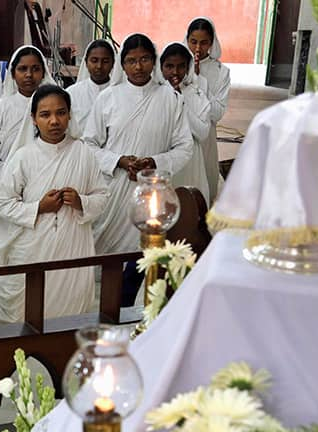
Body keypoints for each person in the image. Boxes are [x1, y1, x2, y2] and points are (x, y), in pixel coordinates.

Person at [82, 33, 192, 304]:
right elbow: (89, 145)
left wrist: (153, 162)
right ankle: (99, 308)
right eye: (131, 61)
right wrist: (120, 160)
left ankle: (128, 308)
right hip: (113, 191)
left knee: (142, 256)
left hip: (152, 192)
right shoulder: (108, 98)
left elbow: (184, 148)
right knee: (103, 256)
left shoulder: (170, 99)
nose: (139, 67)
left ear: (153, 61)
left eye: (144, 59)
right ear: (123, 64)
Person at [0, 85, 107, 323]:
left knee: (70, 317)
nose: (54, 121)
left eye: (61, 113)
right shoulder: (23, 156)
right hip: (32, 250)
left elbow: (102, 197)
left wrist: (81, 202)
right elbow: (3, 204)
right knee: (24, 315)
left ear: (69, 115)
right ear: (34, 119)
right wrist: (38, 208)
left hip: (72, 248)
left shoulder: (83, 153)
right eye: (45, 115)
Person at [0, 46, 53, 183]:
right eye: (22, 69)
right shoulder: (0, 109)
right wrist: (8, 173)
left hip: (47, 179)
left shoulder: (54, 107)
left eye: (35, 69)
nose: (29, 75)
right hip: (6, 181)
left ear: (44, 73)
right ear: (13, 74)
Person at [155, 42, 211, 204]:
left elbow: (202, 133)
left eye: (181, 66)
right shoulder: (154, 94)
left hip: (190, 163)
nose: (175, 72)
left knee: (188, 209)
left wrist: (179, 100)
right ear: (161, 67)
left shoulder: (196, 94)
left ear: (188, 68)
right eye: (169, 66)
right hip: (162, 158)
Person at [186, 17, 230, 203]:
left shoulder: (221, 71)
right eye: (193, 42)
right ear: (186, 39)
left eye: (204, 43)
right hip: (179, 133)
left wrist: (199, 82)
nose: (198, 48)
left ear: (212, 43)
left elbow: (217, 113)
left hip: (205, 139)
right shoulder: (176, 63)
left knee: (203, 189)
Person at [65, 39, 119, 135]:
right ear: (86, 62)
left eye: (105, 61)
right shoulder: (72, 93)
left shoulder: (119, 94)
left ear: (113, 63)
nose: (99, 66)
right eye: (94, 60)